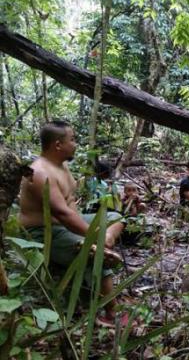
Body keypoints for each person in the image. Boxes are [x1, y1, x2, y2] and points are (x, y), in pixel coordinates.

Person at [19, 120, 125, 327]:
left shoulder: (62, 164)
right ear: (58, 145)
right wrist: (95, 237)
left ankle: (104, 243)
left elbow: (70, 209)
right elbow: (63, 214)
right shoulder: (39, 173)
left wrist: (103, 236)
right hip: (44, 232)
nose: (76, 144)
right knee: (97, 256)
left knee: (116, 218)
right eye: (73, 139)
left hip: (66, 224)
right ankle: (112, 312)